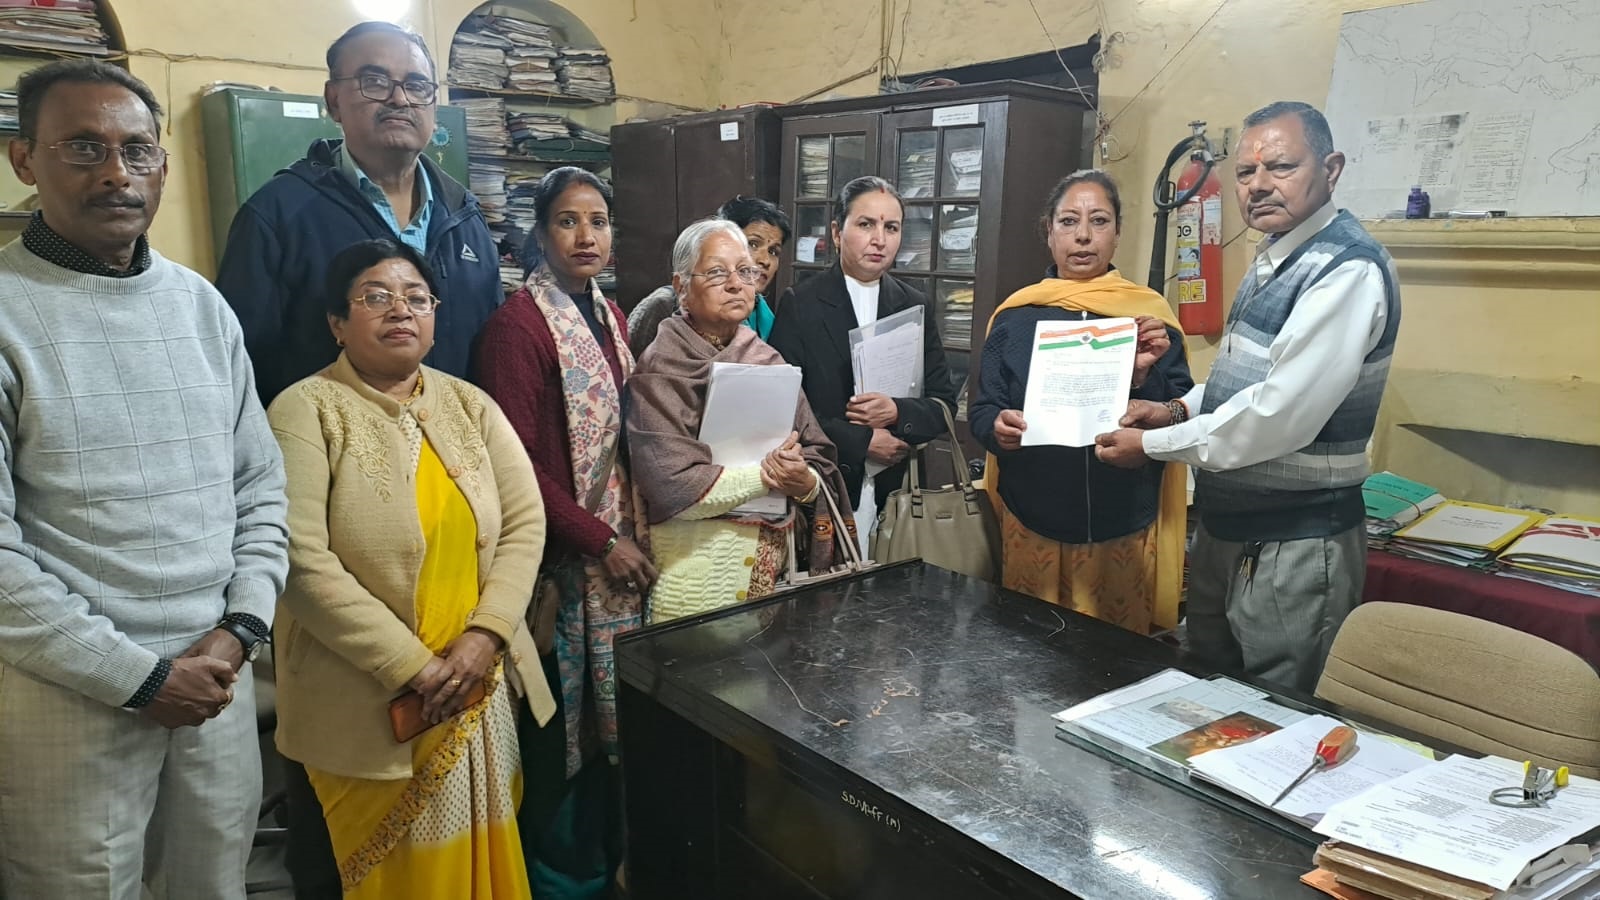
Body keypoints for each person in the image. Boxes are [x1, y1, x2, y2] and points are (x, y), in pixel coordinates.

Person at [0, 59, 288, 898]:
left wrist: (240, 630)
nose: (117, 174)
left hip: (215, 684)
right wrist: (139, 680)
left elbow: (260, 489)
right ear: (24, 159)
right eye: (83, 148)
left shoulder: (200, 307)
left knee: (214, 886)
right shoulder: (9, 309)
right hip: (67, 695)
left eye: (137, 150)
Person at [268, 239, 553, 899]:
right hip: (368, 703)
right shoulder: (304, 411)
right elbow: (299, 560)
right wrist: (417, 669)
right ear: (338, 323)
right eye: (376, 297)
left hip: (477, 687)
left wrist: (485, 635)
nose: (400, 310)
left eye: (416, 298)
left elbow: (524, 524)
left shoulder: (471, 405)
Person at [1095, 101, 1402, 693]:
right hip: (1229, 530)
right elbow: (1246, 385)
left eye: (1281, 166)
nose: (1259, 185)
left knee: (1278, 710)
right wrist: (1175, 408)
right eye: (1244, 172)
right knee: (1204, 696)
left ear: (1331, 169)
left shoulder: (1345, 271)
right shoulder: (1276, 257)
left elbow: (1276, 416)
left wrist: (1153, 445)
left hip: (1294, 541)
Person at [476, 166, 650, 896]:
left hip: (621, 557)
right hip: (562, 565)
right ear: (540, 234)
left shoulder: (610, 316)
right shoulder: (517, 328)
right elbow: (515, 468)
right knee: (560, 736)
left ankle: (608, 866)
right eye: (568, 221)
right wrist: (600, 540)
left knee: (617, 734)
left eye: (598, 221)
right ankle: (559, 878)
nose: (586, 236)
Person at [216, 21, 502, 405]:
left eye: (417, 85)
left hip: (450, 439)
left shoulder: (464, 216)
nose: (399, 99)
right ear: (334, 101)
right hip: (326, 439)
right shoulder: (277, 217)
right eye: (375, 82)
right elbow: (239, 370)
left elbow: (492, 353)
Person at [970, 170, 1193, 634]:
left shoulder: (1149, 318)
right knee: (1030, 649)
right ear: (1049, 232)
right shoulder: (1015, 317)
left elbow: (1180, 412)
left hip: (1124, 522)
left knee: (1114, 656)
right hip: (1031, 518)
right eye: (1069, 221)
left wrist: (1143, 375)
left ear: (1117, 233)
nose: (1084, 235)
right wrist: (998, 428)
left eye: (1099, 221)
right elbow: (983, 408)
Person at [627, 220, 854, 623]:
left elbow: (817, 459)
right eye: (717, 272)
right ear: (681, 286)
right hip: (690, 584)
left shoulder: (767, 360)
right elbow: (670, 484)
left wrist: (803, 482)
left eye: (745, 271)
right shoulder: (660, 367)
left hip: (774, 582)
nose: (736, 284)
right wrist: (769, 475)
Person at [768, 176, 958, 552]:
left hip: (897, 492)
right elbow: (783, 408)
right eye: (866, 224)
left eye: (892, 228)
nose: (879, 239)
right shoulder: (801, 303)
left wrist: (897, 411)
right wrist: (862, 441)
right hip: (828, 483)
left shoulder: (914, 304)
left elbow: (943, 405)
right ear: (837, 233)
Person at [626, 195, 792, 357]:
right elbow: (629, 367)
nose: (765, 260)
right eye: (753, 244)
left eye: (773, 251)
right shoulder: (664, 304)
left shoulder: (764, 317)